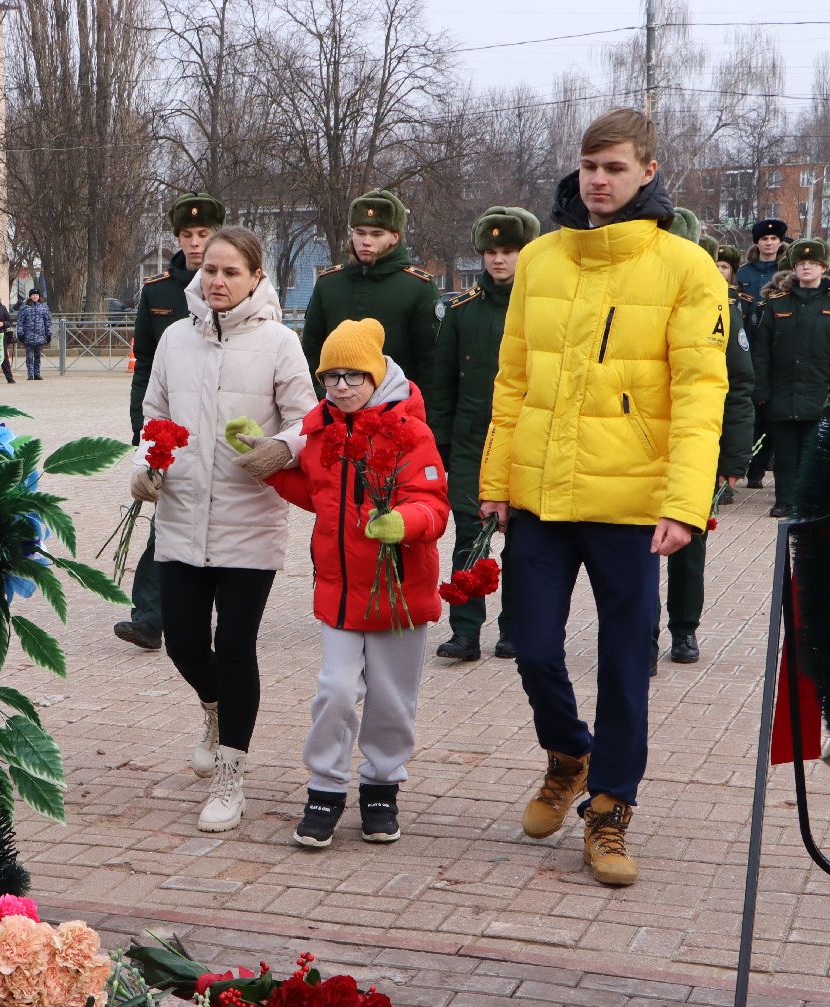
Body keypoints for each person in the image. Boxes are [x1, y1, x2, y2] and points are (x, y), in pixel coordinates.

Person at [479, 108, 728, 887]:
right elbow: (512, 379)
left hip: (631, 504)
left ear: (648, 171)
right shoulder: (543, 260)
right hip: (543, 497)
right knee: (534, 647)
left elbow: (700, 394)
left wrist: (684, 503)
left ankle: (611, 810)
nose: (599, 179)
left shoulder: (686, 268)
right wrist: (495, 482)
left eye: (615, 167)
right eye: (590, 166)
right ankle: (568, 755)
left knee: (625, 665)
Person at [133, 225, 317, 833]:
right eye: (210, 269)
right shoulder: (174, 341)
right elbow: (154, 413)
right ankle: (212, 707)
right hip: (182, 515)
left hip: (249, 520)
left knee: (236, 647)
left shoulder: (281, 344)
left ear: (256, 278)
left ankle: (232, 776)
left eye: (231, 271)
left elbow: (306, 421)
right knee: (184, 640)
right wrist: (146, 464)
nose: (216, 280)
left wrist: (281, 451)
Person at [266, 319, 448, 847]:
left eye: (353, 376)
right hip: (340, 592)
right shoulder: (320, 427)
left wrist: (404, 522)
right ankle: (324, 787)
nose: (341, 387)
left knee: (392, 699)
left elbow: (432, 505)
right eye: (330, 377)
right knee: (336, 691)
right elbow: (317, 493)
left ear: (376, 374)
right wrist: (268, 467)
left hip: (398, 592)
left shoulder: (410, 429)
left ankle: (381, 786)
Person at [429, 206, 540, 662]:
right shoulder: (461, 312)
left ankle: (515, 627)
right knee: (468, 537)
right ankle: (465, 629)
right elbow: (442, 385)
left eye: (509, 251)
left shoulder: (542, 310)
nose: (499, 260)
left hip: (527, 441)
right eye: (491, 251)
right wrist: (442, 446)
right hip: (473, 440)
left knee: (524, 543)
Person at [115, 193, 225, 652]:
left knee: (219, 518)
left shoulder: (233, 284)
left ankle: (206, 602)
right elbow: (143, 365)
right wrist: (142, 424)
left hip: (220, 421)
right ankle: (149, 616)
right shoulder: (158, 291)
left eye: (204, 235)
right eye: (187, 235)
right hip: (171, 423)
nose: (196, 244)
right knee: (167, 514)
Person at [651, 226, 755, 668]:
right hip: (638, 447)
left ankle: (684, 630)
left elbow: (737, 386)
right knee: (636, 554)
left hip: (694, 447)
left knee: (687, 547)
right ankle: (641, 636)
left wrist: (733, 456)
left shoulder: (720, 307)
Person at [751, 236, 830, 519]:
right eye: (801, 263)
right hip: (782, 389)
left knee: (812, 452)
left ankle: (807, 500)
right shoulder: (776, 303)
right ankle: (784, 499)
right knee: (784, 453)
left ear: (823, 268)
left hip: (819, 390)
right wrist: (761, 388)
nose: (806, 268)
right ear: (794, 267)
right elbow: (761, 350)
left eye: (813, 263)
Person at [300, 189, 440, 394]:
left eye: (376, 234)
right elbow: (310, 356)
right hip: (333, 407)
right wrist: (323, 401)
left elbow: (430, 366)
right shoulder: (328, 284)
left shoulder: (418, 288)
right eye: (360, 232)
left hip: (395, 411)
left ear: (395, 237)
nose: (366, 241)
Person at [738, 218, 788, 491]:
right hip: (747, 342)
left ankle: (759, 469)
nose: (769, 243)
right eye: (764, 239)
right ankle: (749, 467)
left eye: (773, 239)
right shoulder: (744, 273)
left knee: (770, 411)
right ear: (757, 242)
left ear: (780, 242)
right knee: (750, 409)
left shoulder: (787, 272)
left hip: (775, 345)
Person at [15, 289, 52, 381]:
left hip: (40, 336)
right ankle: (30, 374)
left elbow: (48, 321)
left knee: (38, 356)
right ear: (30, 296)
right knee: (29, 356)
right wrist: (20, 334)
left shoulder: (43, 307)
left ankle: (37, 373)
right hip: (28, 336)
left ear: (39, 296)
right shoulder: (24, 308)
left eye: (36, 295)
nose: (35, 296)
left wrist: (49, 334)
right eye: (33, 295)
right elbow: (20, 322)